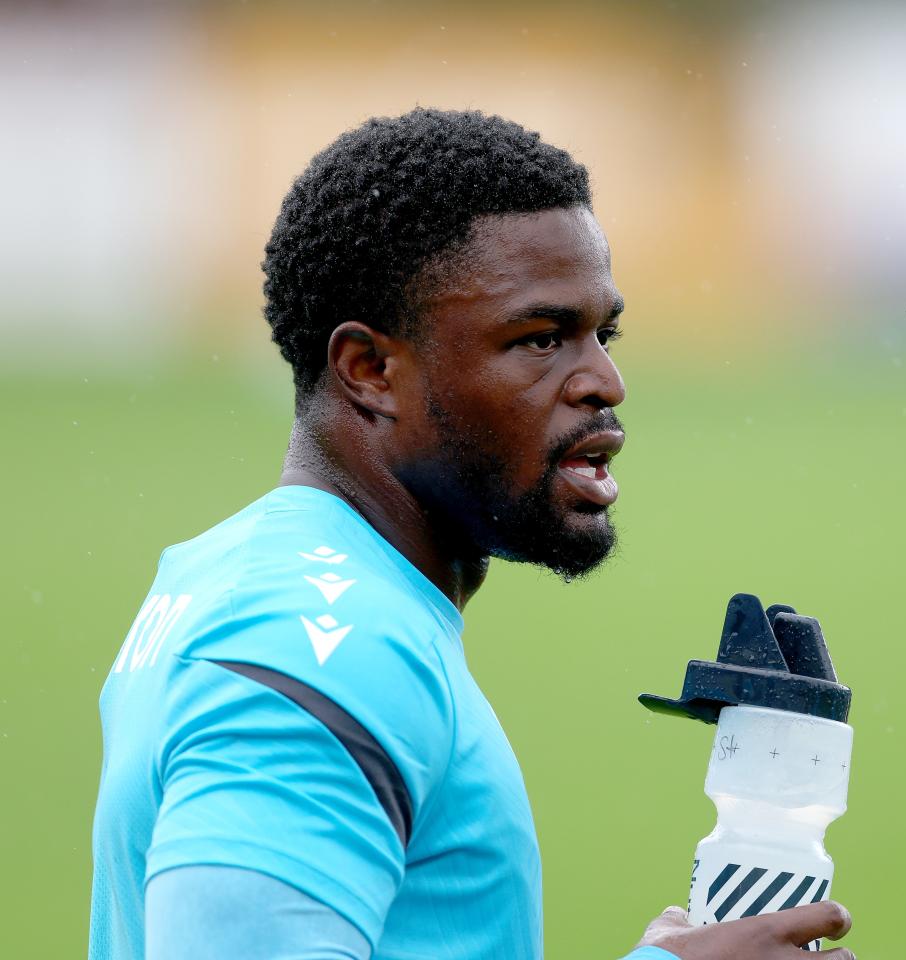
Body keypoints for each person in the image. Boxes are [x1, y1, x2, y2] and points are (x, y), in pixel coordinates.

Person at [88, 108, 854, 960]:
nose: (606, 380)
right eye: (539, 339)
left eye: (604, 334)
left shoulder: (248, 578)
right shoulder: (319, 645)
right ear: (371, 371)